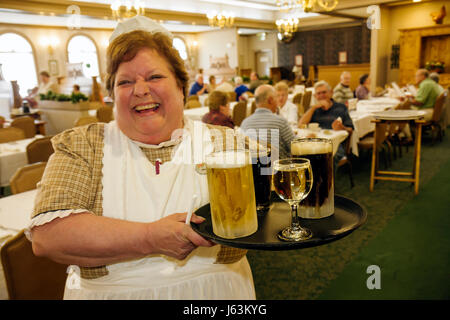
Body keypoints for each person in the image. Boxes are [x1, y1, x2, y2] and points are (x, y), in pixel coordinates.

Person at [28, 16, 255, 300]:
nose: (140, 90)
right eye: (124, 82)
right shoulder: (84, 145)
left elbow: (269, 208)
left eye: (154, 77)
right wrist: (150, 237)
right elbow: (49, 238)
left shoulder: (227, 142)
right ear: (111, 95)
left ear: (181, 87)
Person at [299, 80, 354, 162]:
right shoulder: (314, 109)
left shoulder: (341, 108)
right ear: (315, 96)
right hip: (315, 143)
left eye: (324, 92)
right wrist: (313, 108)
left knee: (327, 157)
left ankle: (328, 175)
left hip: (336, 144)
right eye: (318, 93)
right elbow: (300, 125)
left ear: (331, 93)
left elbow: (350, 130)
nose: (321, 95)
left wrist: (342, 127)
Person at [240, 84, 295, 159]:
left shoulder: (244, 123)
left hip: (254, 168)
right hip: (278, 168)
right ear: (270, 100)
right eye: (276, 97)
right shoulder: (280, 122)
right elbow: (295, 148)